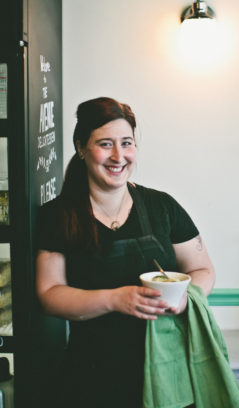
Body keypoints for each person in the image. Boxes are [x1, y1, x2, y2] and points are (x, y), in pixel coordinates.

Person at [35, 97, 216, 408]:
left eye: (127, 143)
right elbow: (49, 293)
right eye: (105, 144)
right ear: (81, 148)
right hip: (90, 381)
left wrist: (188, 297)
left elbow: (202, 269)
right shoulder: (58, 216)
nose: (119, 156)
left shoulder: (163, 207)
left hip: (167, 374)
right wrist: (115, 299)